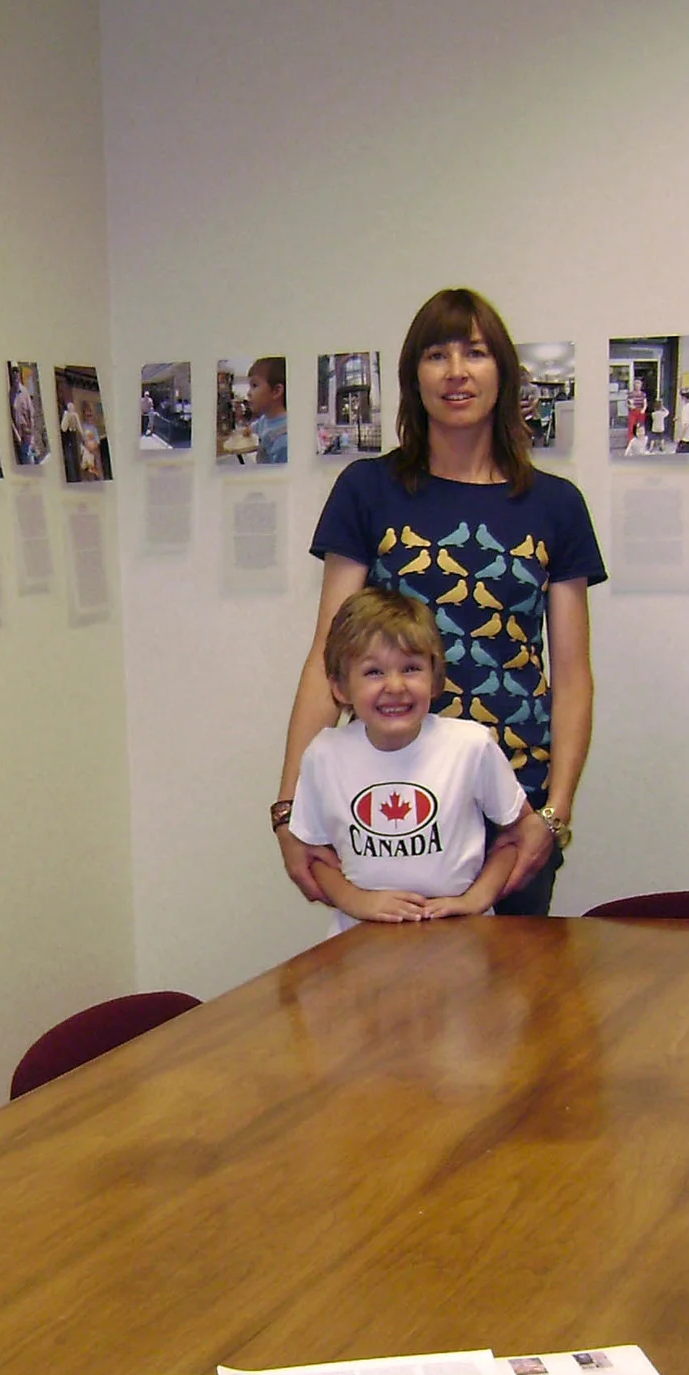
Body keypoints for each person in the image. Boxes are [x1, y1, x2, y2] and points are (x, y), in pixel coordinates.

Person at [279, 286, 603, 917]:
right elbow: (328, 656)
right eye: (437, 354)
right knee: (387, 1002)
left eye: (475, 353)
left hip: (514, 806)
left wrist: (554, 815)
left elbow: (571, 674)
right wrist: (290, 809)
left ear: (503, 375)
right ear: (413, 377)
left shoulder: (555, 505)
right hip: (389, 804)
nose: (457, 372)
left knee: (513, 1003)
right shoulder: (367, 490)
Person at [287, 589, 525, 927]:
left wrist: (477, 898)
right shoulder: (324, 755)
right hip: (361, 938)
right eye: (374, 672)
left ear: (435, 677)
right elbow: (316, 856)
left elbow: (515, 836)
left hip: (461, 936)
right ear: (340, 688)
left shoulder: (471, 745)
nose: (395, 686)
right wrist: (357, 900)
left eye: (411, 668)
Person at [247, 356, 289, 464]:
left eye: (254, 385)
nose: (248, 393)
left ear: (276, 391)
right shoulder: (265, 419)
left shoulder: (283, 441)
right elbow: (254, 427)